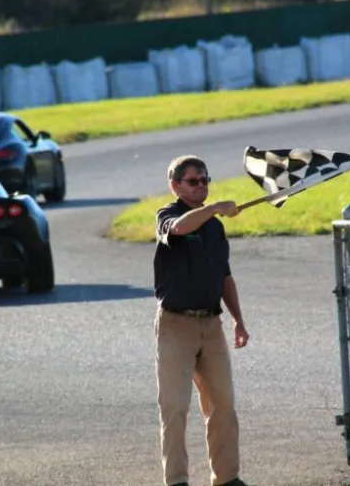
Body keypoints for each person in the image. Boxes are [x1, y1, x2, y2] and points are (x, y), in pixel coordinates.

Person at [153, 155, 250, 486]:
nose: (201, 186)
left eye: (205, 180)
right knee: (175, 408)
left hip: (211, 326)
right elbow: (179, 229)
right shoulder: (168, 215)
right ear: (175, 185)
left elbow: (224, 277)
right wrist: (213, 208)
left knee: (223, 406)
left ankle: (227, 478)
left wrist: (238, 319)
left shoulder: (215, 227)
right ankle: (177, 480)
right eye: (193, 181)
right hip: (175, 325)